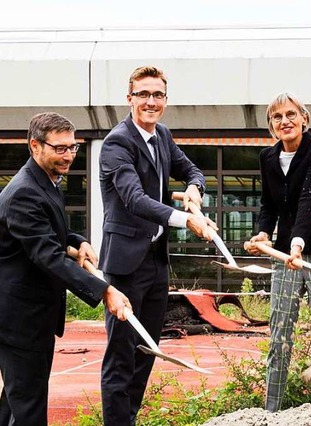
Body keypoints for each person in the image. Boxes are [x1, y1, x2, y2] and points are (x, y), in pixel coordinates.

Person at [99, 66, 216, 425]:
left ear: (165, 99)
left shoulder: (162, 135)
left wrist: (195, 188)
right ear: (129, 98)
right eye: (143, 94)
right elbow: (134, 199)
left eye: (158, 95)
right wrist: (187, 219)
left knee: (147, 351)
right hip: (125, 265)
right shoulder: (117, 143)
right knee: (121, 358)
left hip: (155, 262)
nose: (151, 102)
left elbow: (192, 170)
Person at [0, 112, 131, 426]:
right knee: (30, 409)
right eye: (60, 148)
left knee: (16, 402)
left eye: (73, 148)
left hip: (33, 316)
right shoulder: (23, 192)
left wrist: (78, 240)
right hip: (18, 320)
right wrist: (105, 290)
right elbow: (47, 255)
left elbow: (52, 232)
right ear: (35, 146)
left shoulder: (46, 181)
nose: (69, 155)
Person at [246, 92, 311, 412]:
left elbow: (310, 200)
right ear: (271, 126)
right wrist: (264, 231)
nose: (285, 121)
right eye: (277, 117)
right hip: (286, 258)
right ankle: (270, 412)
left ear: (304, 118)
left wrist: (298, 243)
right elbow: (268, 204)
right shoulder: (267, 157)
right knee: (279, 336)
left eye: (291, 114)